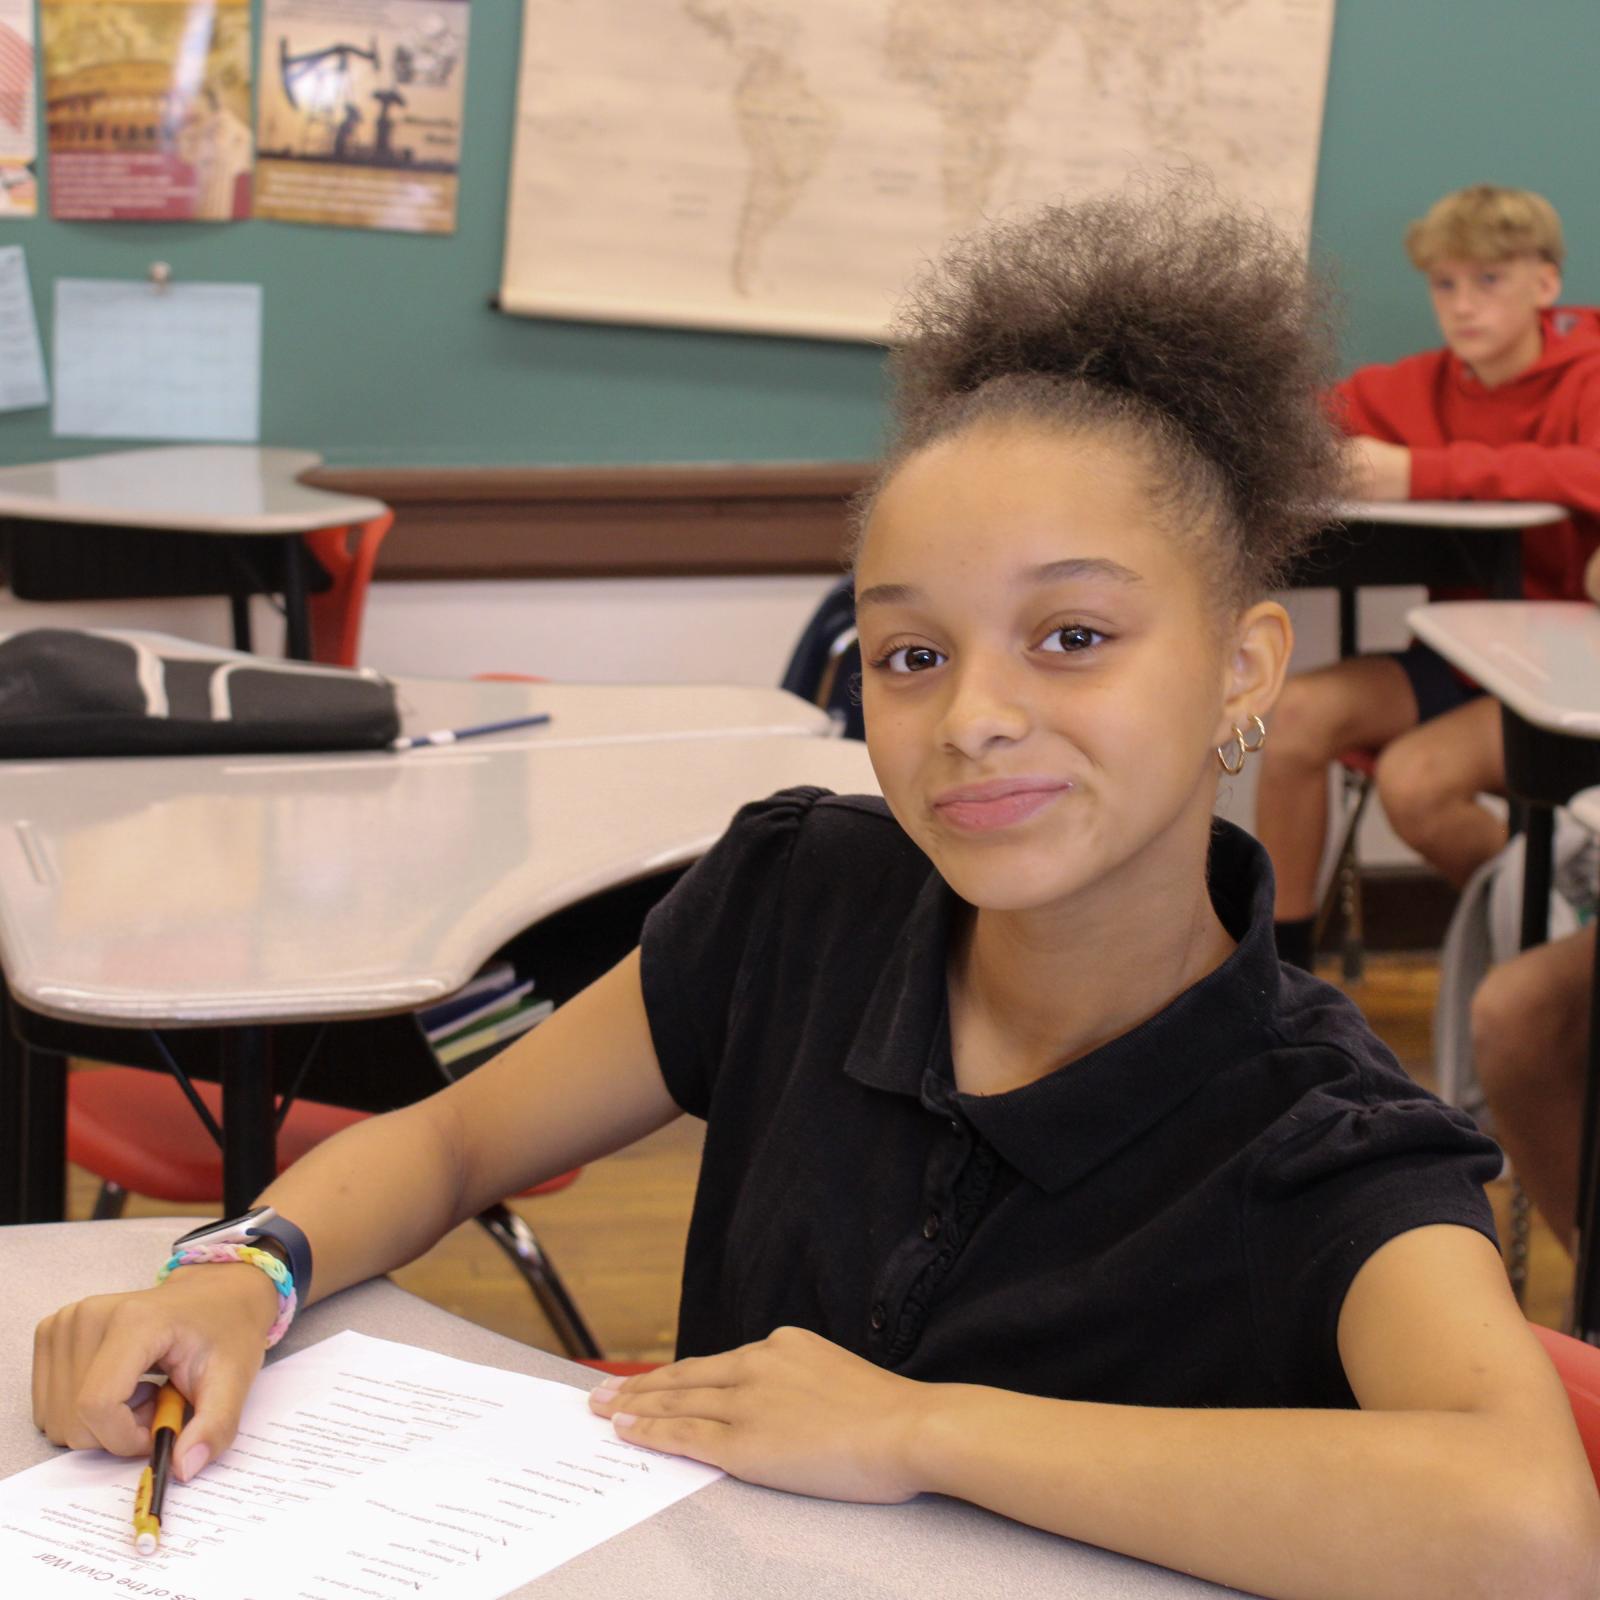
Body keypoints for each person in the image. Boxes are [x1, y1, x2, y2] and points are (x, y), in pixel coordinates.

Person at [32, 187, 1600, 1599]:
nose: (974, 715)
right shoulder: (804, 896)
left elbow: (1530, 1522)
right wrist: (240, 1274)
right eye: (913, 655)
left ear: (1246, 670)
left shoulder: (1324, 1133)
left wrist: (923, 1432)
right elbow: (453, 1136)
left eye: (1072, 637)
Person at [1254, 184, 1600, 970]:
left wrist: (1421, 472)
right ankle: (1280, 988)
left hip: (1567, 669)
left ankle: (1560, 941)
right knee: (1297, 715)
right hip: (1466, 657)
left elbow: (1592, 467)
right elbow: (1296, 419)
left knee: (1415, 784)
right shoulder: (1419, 384)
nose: (1463, 305)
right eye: (1446, 284)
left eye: (1489, 281)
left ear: (1544, 284)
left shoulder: (1590, 369)